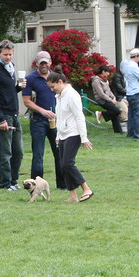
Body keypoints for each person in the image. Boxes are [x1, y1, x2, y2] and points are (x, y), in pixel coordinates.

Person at [47, 71, 94, 203]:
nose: (52, 90)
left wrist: (84, 138)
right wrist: (58, 135)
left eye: (53, 86)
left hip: (74, 133)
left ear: (60, 82)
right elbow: (61, 117)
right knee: (63, 165)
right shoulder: (59, 96)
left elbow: (79, 117)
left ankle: (86, 188)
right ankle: (72, 196)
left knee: (68, 163)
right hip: (63, 134)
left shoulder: (72, 95)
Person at [21, 51, 65, 191]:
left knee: (59, 152)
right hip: (38, 121)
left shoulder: (56, 78)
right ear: (37, 64)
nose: (44, 65)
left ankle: (62, 184)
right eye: (41, 63)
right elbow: (26, 101)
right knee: (38, 154)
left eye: (46, 63)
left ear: (50, 62)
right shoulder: (30, 79)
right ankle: (35, 185)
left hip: (55, 121)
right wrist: (42, 111)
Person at [0, 39, 24, 190]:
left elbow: (10, 92)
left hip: (14, 115)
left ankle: (14, 181)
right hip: (4, 117)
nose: (8, 57)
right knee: (5, 152)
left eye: (10, 54)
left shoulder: (11, 68)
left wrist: (19, 87)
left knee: (18, 151)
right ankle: (5, 183)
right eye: (5, 54)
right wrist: (1, 119)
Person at [119, 48, 139, 139]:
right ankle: (138, 135)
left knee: (131, 115)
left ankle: (130, 134)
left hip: (129, 93)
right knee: (138, 115)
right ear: (136, 56)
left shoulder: (124, 64)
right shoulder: (134, 66)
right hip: (136, 92)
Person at [90, 65, 123, 134]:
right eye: (107, 72)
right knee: (117, 111)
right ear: (103, 72)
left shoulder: (105, 80)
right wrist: (111, 100)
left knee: (114, 113)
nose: (108, 74)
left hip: (108, 99)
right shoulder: (96, 81)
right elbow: (101, 94)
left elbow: (109, 91)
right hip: (101, 100)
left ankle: (118, 131)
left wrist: (113, 97)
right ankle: (100, 113)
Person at [108, 64, 128, 129]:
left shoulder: (124, 76)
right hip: (119, 97)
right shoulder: (117, 77)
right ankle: (123, 126)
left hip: (124, 96)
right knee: (124, 110)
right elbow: (119, 88)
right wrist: (129, 93)